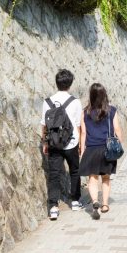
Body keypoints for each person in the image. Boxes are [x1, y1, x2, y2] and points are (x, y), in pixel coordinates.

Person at [41, 69, 83, 220]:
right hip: (71, 142)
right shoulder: (75, 102)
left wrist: (45, 142)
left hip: (54, 143)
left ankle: (53, 207)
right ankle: (76, 201)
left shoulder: (47, 102)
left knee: (54, 174)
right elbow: (78, 125)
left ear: (56, 83)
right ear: (70, 84)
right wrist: (80, 144)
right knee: (74, 171)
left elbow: (44, 125)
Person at [79, 83, 122, 219]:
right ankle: (104, 204)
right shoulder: (112, 111)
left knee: (92, 178)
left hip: (91, 149)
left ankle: (95, 201)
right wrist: (120, 144)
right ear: (104, 95)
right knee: (105, 178)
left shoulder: (85, 112)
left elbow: (83, 133)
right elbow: (117, 129)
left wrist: (82, 150)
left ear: (91, 96)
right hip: (107, 150)